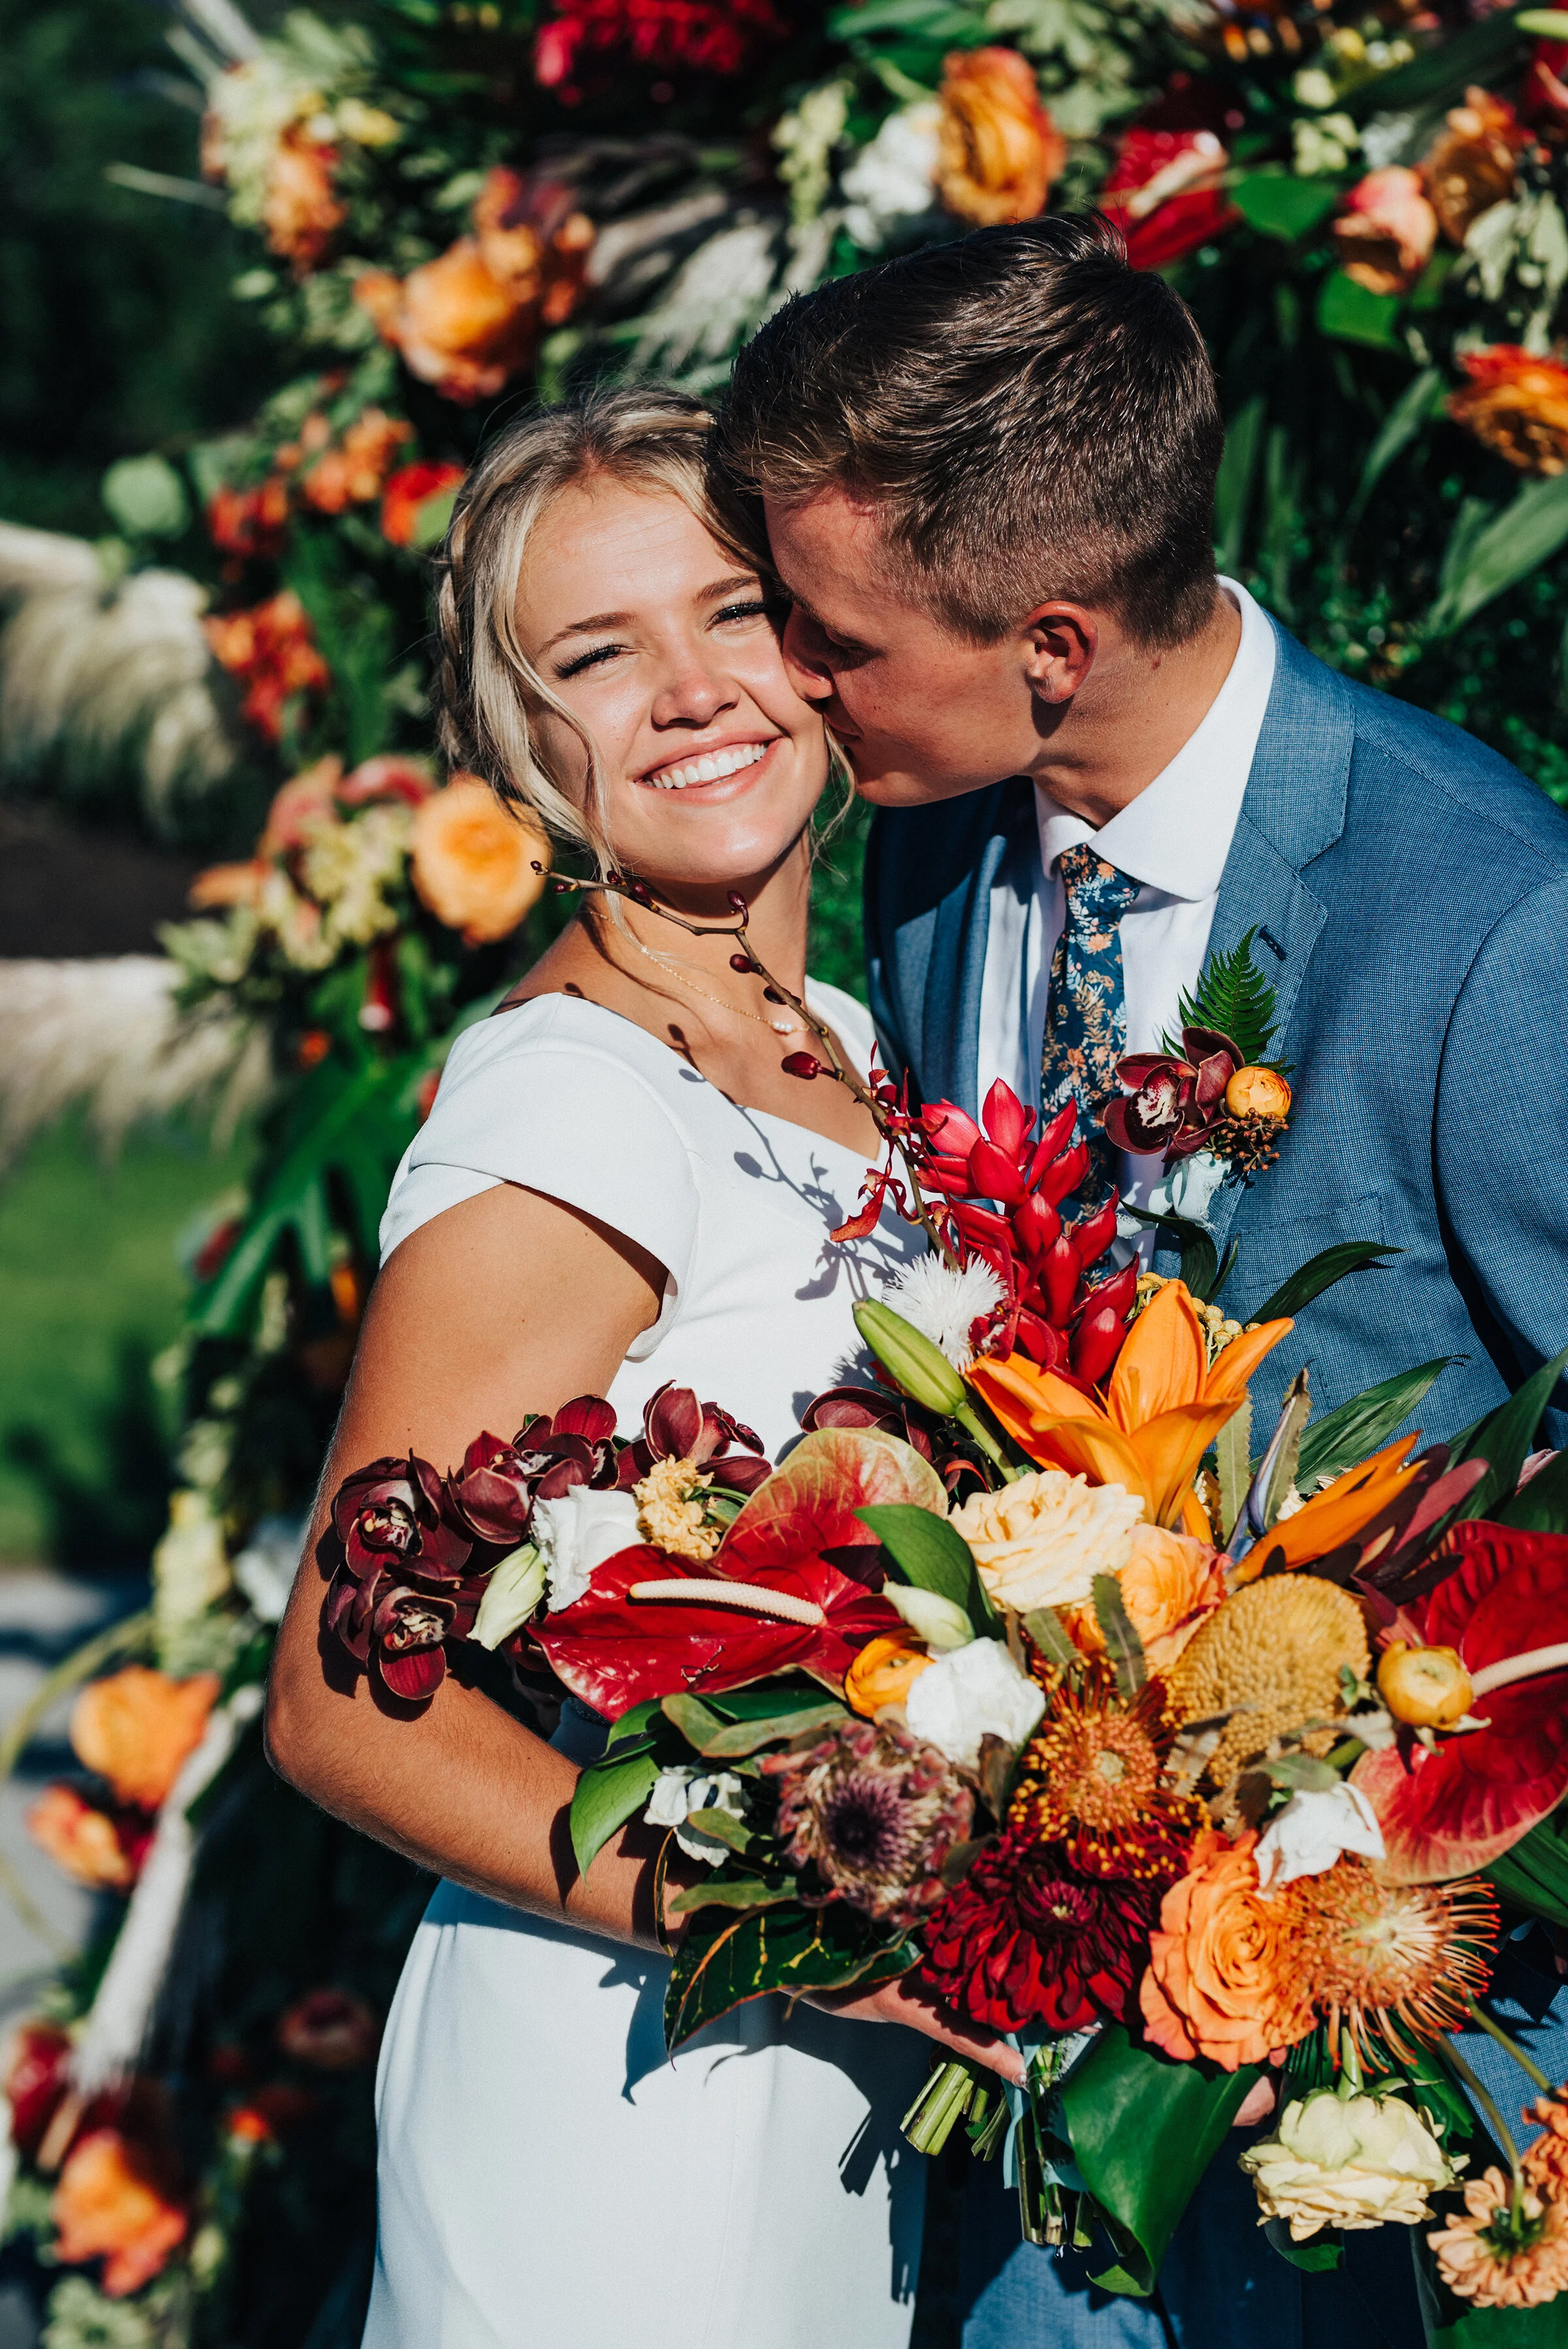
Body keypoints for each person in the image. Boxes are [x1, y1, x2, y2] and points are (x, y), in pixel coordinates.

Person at [719, 214, 1568, 2345]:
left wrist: (1383, 1832)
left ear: (1057, 641)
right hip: (1016, 2013)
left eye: (833, 643)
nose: (789, 692)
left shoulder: (1486, 915)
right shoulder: (933, 838)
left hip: (1390, 2034)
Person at [264, 389, 1024, 2349]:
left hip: (828, 2089)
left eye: (733, 613)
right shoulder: (573, 1109)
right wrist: (789, 1939)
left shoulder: (834, 1029)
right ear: (522, 750)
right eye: (599, 658)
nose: (694, 694)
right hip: (627, 2086)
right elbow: (348, 1711)